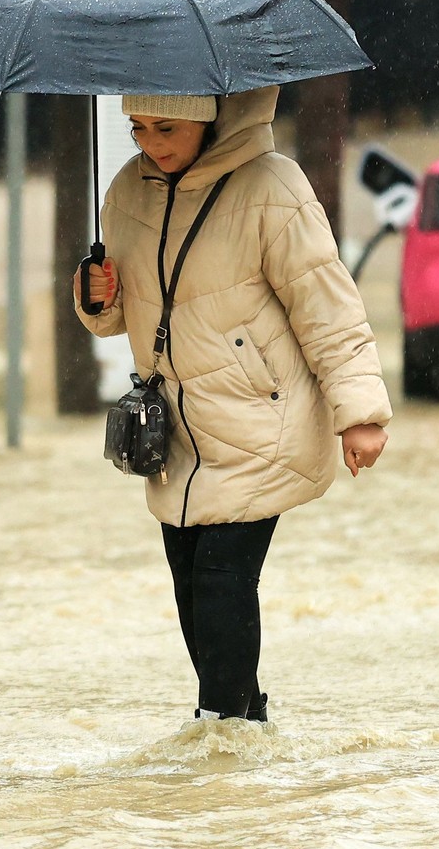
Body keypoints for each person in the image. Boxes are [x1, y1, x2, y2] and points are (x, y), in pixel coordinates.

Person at [73, 88, 391, 725]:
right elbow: (116, 321)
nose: (150, 143)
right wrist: (95, 294)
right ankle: (243, 740)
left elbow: (327, 305)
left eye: (166, 127)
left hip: (262, 426)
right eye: (138, 127)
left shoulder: (275, 188)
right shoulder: (128, 191)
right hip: (177, 438)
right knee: (192, 596)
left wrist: (358, 412)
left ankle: (216, 746)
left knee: (221, 589)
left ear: (208, 115)